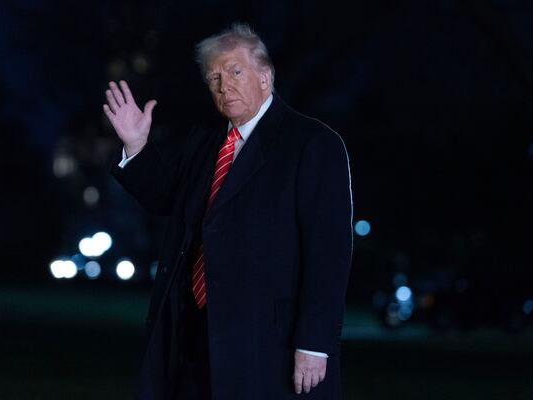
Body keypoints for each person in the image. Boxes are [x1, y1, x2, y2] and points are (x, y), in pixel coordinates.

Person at [104, 23, 353, 400]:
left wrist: (315, 343)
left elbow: (329, 254)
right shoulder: (206, 142)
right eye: (214, 77)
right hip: (196, 340)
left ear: (266, 77)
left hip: (269, 347)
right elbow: (167, 199)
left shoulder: (313, 144)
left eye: (235, 71)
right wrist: (137, 147)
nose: (224, 85)